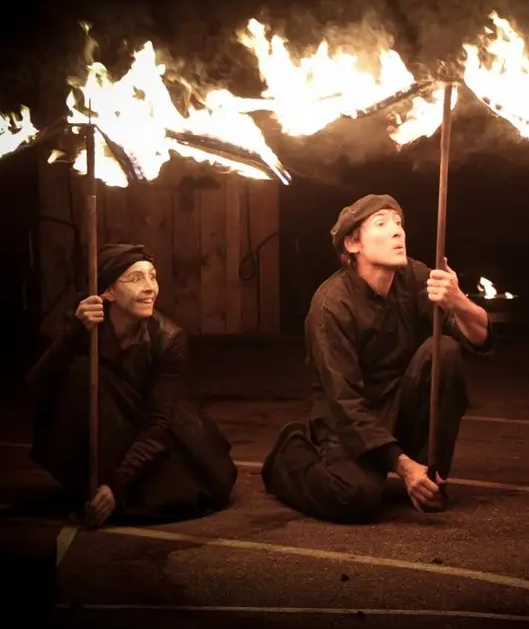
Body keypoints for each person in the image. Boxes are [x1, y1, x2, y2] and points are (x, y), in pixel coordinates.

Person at [261, 193, 494, 523]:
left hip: (400, 405)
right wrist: (401, 463)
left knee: (444, 351)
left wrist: (459, 301)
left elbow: (479, 339)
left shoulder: (412, 276)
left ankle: (429, 476)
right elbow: (345, 402)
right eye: (381, 224)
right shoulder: (331, 305)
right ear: (353, 243)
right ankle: (290, 455)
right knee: (353, 498)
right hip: (350, 419)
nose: (397, 231)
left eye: (399, 223)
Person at [24, 243, 237, 528]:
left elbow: (156, 425)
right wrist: (75, 332)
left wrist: (116, 486)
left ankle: (108, 491)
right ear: (108, 292)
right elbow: (37, 386)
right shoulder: (84, 322)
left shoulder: (168, 338)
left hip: (151, 427)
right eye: (136, 278)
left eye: (153, 276)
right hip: (106, 425)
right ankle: (86, 484)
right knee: (79, 375)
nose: (150, 287)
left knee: (168, 491)